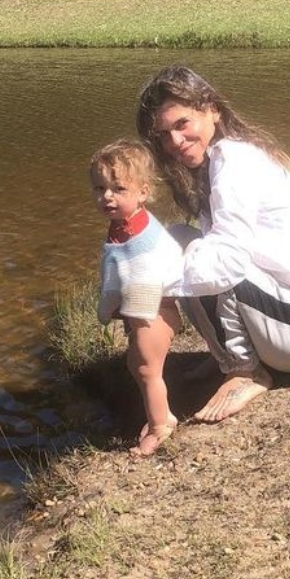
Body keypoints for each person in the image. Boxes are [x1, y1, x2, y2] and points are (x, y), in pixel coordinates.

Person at [136, 66, 290, 424]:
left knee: (205, 256)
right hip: (281, 317)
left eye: (183, 124)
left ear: (212, 109)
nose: (174, 142)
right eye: (164, 134)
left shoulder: (235, 161)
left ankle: (246, 371)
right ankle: (229, 354)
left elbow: (228, 263)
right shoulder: (216, 163)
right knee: (179, 240)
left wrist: (145, 288)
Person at [92, 138, 186, 456]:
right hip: (144, 310)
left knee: (148, 369)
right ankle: (158, 413)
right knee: (136, 365)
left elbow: (143, 279)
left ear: (143, 192)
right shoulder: (125, 225)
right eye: (99, 188)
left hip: (154, 310)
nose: (107, 196)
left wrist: (119, 311)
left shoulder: (138, 234)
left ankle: (160, 426)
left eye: (118, 189)